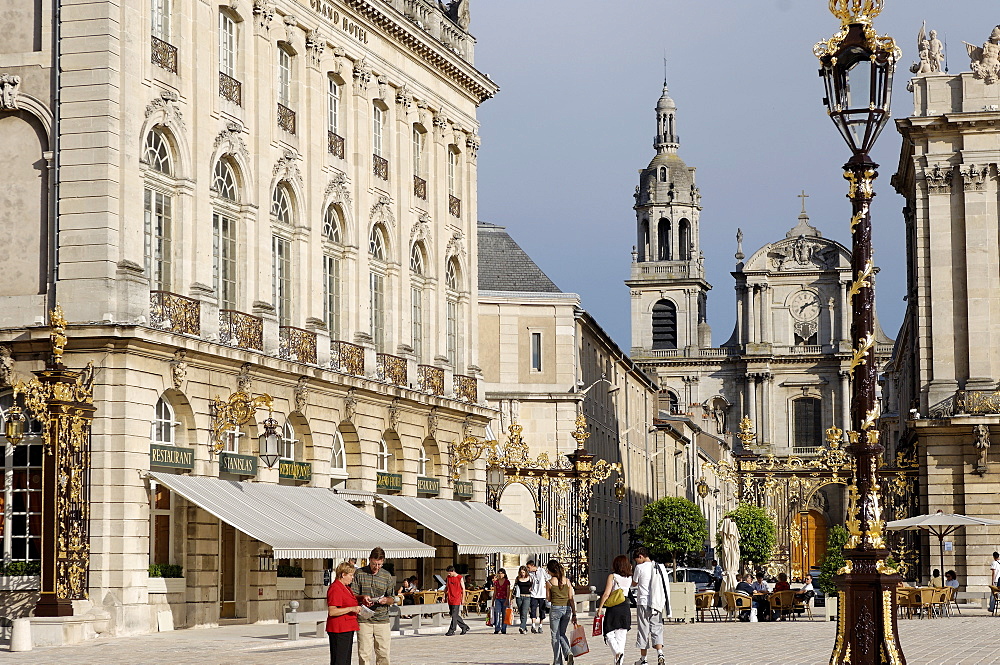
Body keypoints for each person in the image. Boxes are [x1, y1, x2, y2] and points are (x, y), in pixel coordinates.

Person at [350, 547, 396, 665]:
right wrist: (362, 597)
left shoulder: (387, 576)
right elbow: (352, 595)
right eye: (374, 564)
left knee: (383, 654)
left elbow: (393, 598)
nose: (376, 567)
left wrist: (386, 600)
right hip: (364, 619)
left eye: (379, 564)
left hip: (382, 620)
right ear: (369, 559)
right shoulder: (359, 573)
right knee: (364, 654)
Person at [631, 547, 670, 665]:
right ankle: (660, 653)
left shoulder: (639, 567)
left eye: (636, 559)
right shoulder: (657, 567)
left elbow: (634, 583)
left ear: (641, 556)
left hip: (643, 602)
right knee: (657, 628)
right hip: (656, 602)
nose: (636, 562)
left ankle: (644, 659)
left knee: (643, 630)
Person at [597, 554, 633, 665]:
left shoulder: (612, 577)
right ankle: (619, 660)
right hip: (625, 607)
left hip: (614, 608)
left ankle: (617, 652)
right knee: (621, 638)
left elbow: (606, 593)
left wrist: (600, 607)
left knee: (609, 632)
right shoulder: (629, 578)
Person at [327, 561, 362, 665]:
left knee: (346, 660)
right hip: (339, 629)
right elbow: (332, 611)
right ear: (343, 574)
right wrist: (351, 609)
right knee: (339, 660)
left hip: (347, 627)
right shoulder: (335, 588)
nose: (352, 578)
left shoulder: (346, 588)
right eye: (351, 575)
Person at [546, 559, 576, 665]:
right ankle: (568, 653)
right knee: (562, 633)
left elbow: (548, 599)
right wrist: (574, 613)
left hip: (556, 609)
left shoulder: (549, 582)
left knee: (555, 635)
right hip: (567, 609)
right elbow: (571, 598)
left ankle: (558, 661)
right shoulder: (567, 581)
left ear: (550, 570)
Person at [444, 565, 470, 636]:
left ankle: (452, 630)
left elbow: (463, 589)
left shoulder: (459, 578)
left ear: (453, 571)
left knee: (454, 614)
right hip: (450, 598)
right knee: (453, 614)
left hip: (457, 598)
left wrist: (463, 599)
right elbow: (446, 587)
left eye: (450, 573)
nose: (449, 574)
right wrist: (444, 596)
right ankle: (464, 627)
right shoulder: (448, 578)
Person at [527, 560, 548, 633]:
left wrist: (546, 585)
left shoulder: (541, 570)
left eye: (529, 567)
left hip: (542, 594)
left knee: (542, 611)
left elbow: (547, 578)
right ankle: (533, 625)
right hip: (534, 593)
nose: (528, 569)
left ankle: (540, 626)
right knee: (533, 609)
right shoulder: (530, 573)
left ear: (533, 566)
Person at [514, 566, 533, 634]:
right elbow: (515, 587)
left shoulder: (530, 578)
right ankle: (524, 627)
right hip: (519, 596)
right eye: (521, 572)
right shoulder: (518, 578)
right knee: (521, 612)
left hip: (527, 597)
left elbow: (532, 586)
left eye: (523, 572)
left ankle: (521, 627)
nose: (522, 574)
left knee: (524, 612)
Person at [491, 568, 512, 635]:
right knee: (497, 613)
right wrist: (493, 600)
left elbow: (508, 591)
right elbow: (495, 592)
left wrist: (507, 599)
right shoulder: (496, 582)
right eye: (499, 573)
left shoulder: (507, 582)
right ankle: (497, 628)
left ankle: (504, 628)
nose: (500, 575)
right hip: (498, 599)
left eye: (502, 573)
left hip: (504, 599)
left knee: (504, 614)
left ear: (504, 574)